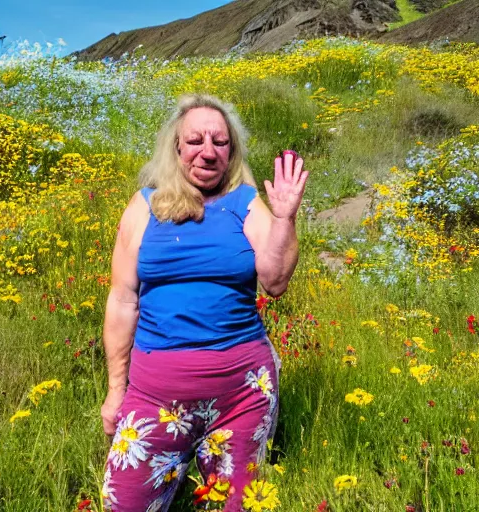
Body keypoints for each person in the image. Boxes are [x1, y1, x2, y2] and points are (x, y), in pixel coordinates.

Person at [101, 94, 308, 512]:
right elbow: (123, 300)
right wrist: (115, 390)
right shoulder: (144, 206)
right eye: (195, 140)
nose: (208, 152)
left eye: (220, 142)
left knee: (238, 506)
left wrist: (284, 218)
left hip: (242, 395)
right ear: (176, 147)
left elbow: (276, 280)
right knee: (123, 504)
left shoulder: (244, 202)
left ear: (232, 152)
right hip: (153, 397)